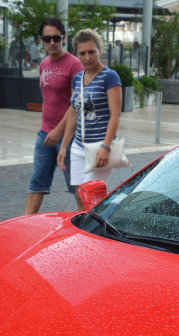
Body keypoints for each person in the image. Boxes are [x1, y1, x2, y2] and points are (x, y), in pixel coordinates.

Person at [57, 28, 122, 209]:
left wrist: (106, 146)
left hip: (100, 146)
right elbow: (74, 113)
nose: (87, 57)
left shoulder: (110, 76)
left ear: (100, 50)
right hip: (78, 146)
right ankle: (86, 232)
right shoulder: (77, 78)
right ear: (76, 54)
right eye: (82, 53)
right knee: (79, 196)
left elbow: (115, 115)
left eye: (91, 52)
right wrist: (64, 146)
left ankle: (101, 231)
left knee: (91, 195)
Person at [24, 18, 84, 215]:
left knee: (77, 188)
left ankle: (87, 228)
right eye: (47, 38)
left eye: (56, 38)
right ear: (41, 40)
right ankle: (24, 225)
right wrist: (49, 130)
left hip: (69, 136)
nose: (52, 42)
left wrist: (58, 131)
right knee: (36, 183)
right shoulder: (44, 64)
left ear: (63, 38)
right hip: (45, 134)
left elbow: (77, 103)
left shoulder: (74, 65)